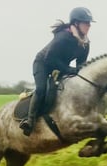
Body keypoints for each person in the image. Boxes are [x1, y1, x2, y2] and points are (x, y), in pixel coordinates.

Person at [19, 7, 94, 136]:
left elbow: (80, 65)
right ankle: (29, 121)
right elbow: (50, 59)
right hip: (43, 64)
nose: (89, 26)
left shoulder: (85, 44)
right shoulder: (64, 37)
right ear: (76, 23)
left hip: (59, 66)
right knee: (42, 89)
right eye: (85, 23)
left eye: (89, 23)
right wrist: (70, 69)